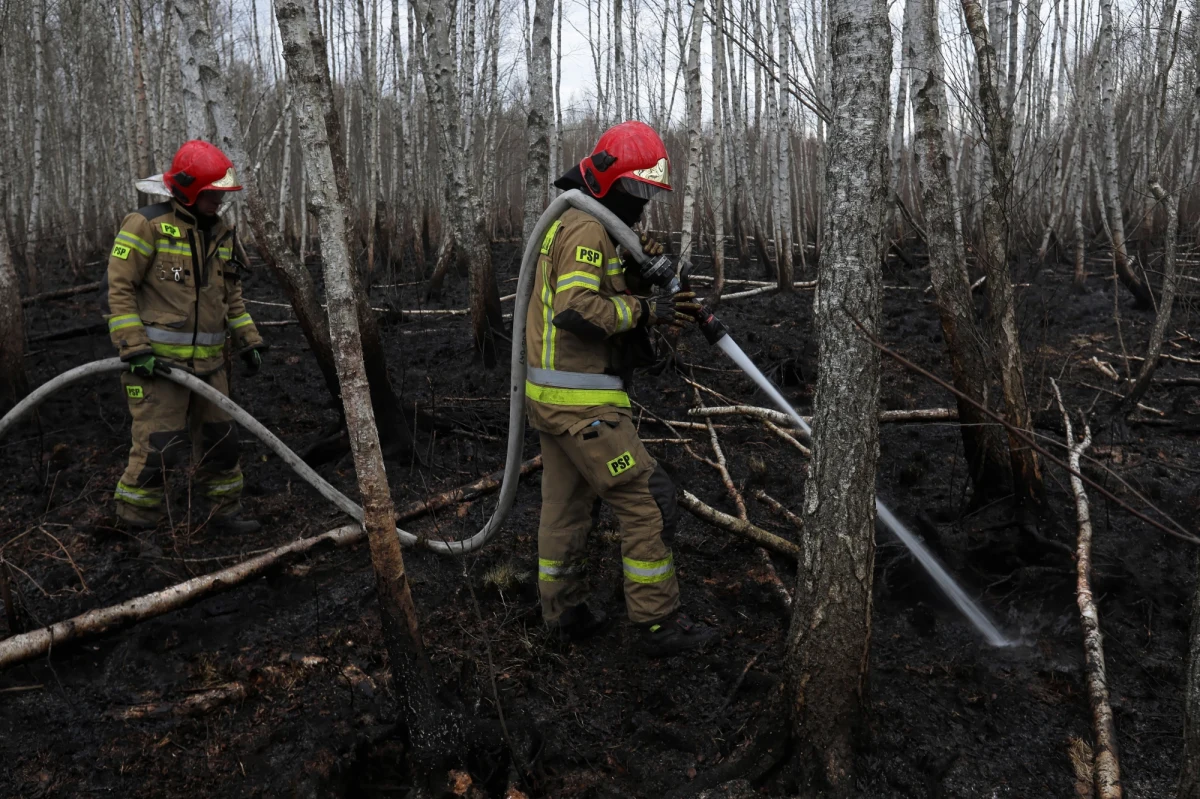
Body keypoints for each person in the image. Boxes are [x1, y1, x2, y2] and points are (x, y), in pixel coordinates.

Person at [526, 120, 718, 656]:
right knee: (647, 501)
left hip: (555, 399)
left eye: (649, 193)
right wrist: (646, 311)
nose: (643, 202)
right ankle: (656, 623)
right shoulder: (586, 228)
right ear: (609, 183)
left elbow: (597, 287)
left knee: (564, 510)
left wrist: (638, 272)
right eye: (637, 191)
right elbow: (575, 309)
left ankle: (561, 614)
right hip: (583, 403)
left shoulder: (585, 222)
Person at [105, 140, 266, 533]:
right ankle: (135, 525)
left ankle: (221, 514)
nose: (219, 203)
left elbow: (231, 293)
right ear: (191, 190)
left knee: (222, 442)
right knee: (160, 448)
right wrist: (135, 348)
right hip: (158, 368)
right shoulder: (145, 224)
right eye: (213, 194)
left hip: (211, 367)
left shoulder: (222, 232)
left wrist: (249, 340)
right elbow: (119, 290)